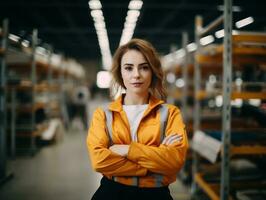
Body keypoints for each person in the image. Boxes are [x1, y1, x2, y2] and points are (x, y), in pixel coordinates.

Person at [87, 38, 188, 200]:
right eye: (128, 68)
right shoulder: (103, 114)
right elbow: (99, 161)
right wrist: (154, 162)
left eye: (144, 67)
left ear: (153, 71)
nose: (136, 75)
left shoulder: (170, 114)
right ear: (120, 72)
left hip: (155, 195)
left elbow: (175, 162)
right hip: (112, 193)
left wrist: (127, 150)